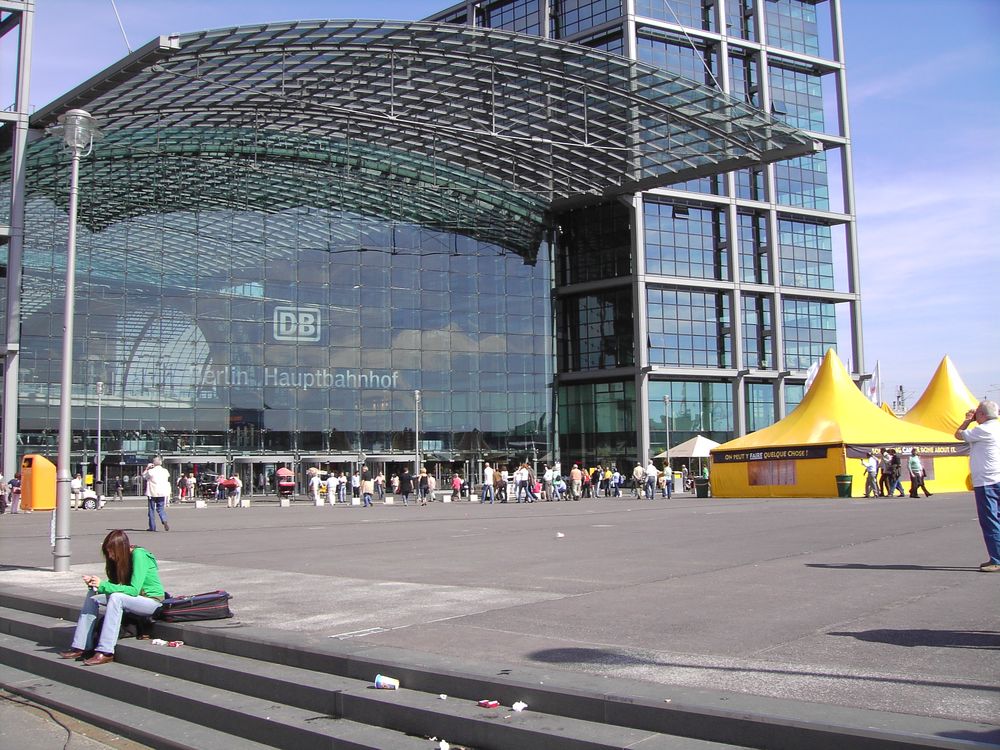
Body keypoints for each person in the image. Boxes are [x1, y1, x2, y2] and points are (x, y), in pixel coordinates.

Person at [58, 529, 165, 666]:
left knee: (116, 597)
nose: (110, 555)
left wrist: (103, 585)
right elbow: (116, 585)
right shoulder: (120, 560)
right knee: (93, 595)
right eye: (108, 552)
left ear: (121, 549)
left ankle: (106, 651)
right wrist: (96, 584)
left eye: (112, 552)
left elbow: (133, 590)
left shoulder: (139, 555)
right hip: (132, 600)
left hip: (152, 602)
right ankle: (81, 645)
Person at [955, 400, 1000, 572]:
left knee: (990, 520)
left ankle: (996, 559)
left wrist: (967, 420)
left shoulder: (983, 429)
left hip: (987, 481)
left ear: (981, 414)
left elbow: (959, 434)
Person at [143, 458, 170, 531]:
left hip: (152, 492)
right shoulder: (165, 471)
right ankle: (164, 519)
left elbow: (144, 476)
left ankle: (152, 527)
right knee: (161, 508)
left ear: (154, 463)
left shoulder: (151, 471)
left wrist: (147, 468)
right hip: (162, 492)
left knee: (151, 510)